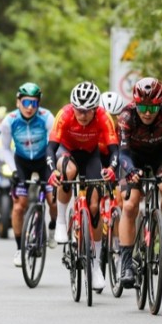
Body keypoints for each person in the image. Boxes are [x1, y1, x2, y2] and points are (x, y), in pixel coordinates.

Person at [117, 77, 162, 287]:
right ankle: (125, 263)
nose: (147, 112)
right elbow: (122, 153)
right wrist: (130, 170)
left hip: (161, 154)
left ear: (160, 104)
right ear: (135, 103)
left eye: (153, 107)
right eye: (142, 106)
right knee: (130, 204)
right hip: (132, 157)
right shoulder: (126, 116)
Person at [47, 81, 119, 289]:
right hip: (66, 152)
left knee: (95, 207)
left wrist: (112, 168)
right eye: (79, 109)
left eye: (88, 111)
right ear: (73, 107)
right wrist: (53, 170)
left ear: (96, 109)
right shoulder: (65, 114)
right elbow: (51, 149)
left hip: (91, 155)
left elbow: (114, 151)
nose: (83, 114)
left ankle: (96, 267)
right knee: (68, 172)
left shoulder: (104, 118)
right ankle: (61, 220)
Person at [0, 82, 58, 267]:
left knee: (53, 199)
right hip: (21, 162)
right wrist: (14, 171)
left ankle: (52, 227)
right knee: (19, 206)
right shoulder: (9, 121)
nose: (30, 107)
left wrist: (53, 165)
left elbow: (54, 144)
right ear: (18, 102)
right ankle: (19, 248)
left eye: (34, 103)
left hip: (43, 161)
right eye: (26, 103)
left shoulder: (47, 118)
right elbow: (5, 149)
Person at [99, 91, 127, 209]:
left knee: (120, 202)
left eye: (114, 117)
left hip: (116, 160)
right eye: (106, 117)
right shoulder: (93, 126)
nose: (109, 122)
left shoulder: (124, 129)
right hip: (98, 158)